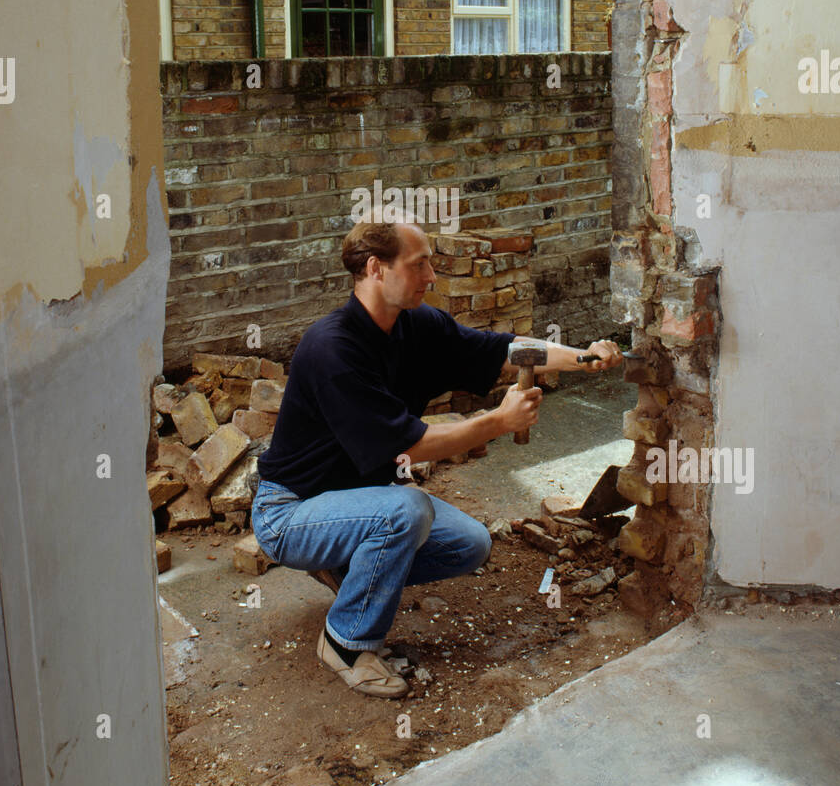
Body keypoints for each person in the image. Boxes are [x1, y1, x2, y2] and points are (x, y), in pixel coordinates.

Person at [253, 221, 622, 698]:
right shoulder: (333, 349)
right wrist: (498, 421)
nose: (431, 275)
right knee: (408, 510)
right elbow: (409, 447)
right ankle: (344, 643)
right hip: (292, 512)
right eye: (419, 264)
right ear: (374, 269)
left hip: (355, 500)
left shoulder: (416, 326)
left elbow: (503, 349)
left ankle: (349, 573)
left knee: (469, 545)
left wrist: (584, 358)